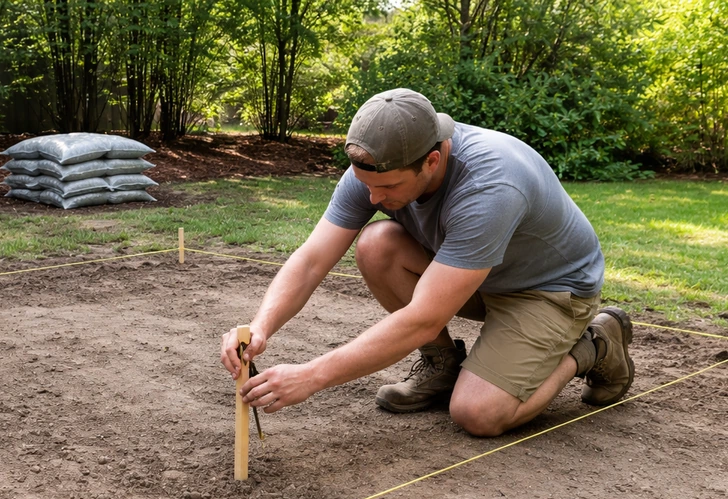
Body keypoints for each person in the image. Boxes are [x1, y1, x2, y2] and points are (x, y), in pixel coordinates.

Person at [220, 88, 634, 438]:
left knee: (478, 414)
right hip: (473, 276)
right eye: (365, 184)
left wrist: (313, 375)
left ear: (432, 160)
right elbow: (312, 260)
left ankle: (593, 344)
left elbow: (422, 316)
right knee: (377, 243)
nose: (373, 199)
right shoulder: (375, 168)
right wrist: (261, 325)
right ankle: (442, 365)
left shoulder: (490, 185)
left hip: (548, 291)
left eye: (388, 187)